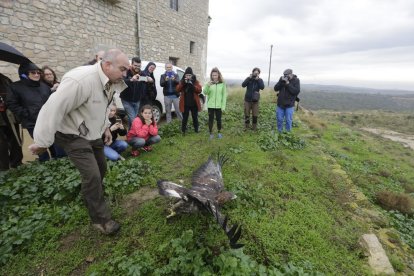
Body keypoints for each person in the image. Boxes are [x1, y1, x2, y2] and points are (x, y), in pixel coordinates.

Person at [29, 49, 130, 235]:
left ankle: (92, 196)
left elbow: (101, 108)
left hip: (93, 133)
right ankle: (102, 220)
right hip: (72, 134)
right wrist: (43, 142)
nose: (125, 74)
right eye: (123, 69)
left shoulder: (109, 82)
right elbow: (52, 109)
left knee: (101, 170)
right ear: (107, 65)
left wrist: (106, 127)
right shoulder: (80, 80)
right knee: (92, 175)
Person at [7, 62, 65, 162]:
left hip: (49, 121)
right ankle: (45, 168)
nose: (37, 74)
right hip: (33, 123)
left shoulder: (43, 86)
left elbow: (50, 101)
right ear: (24, 74)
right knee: (41, 149)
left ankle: (60, 166)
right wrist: (27, 114)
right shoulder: (15, 87)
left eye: (38, 72)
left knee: (58, 147)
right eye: (33, 72)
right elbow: (12, 104)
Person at [0, 73, 23, 171]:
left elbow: (13, 94)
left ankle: (16, 164)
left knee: (15, 139)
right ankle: (3, 168)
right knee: (1, 143)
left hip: (8, 115)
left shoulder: (5, 79)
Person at [120, 57, 145, 128]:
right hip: (126, 100)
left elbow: (145, 81)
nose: (137, 67)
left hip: (137, 100)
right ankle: (135, 134)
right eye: (135, 65)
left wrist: (149, 80)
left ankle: (130, 135)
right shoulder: (126, 71)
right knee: (133, 119)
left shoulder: (142, 73)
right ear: (132, 64)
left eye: (139, 66)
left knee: (132, 120)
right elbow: (121, 81)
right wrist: (131, 79)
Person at [176, 67, 202, 134]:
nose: (188, 77)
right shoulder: (182, 81)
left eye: (189, 75)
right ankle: (183, 131)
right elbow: (177, 89)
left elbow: (199, 90)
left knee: (195, 117)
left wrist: (192, 85)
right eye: (187, 75)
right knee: (185, 118)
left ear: (192, 75)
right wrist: (183, 83)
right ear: (185, 75)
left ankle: (196, 130)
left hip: (194, 104)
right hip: (185, 104)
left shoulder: (195, 81)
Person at [203, 67, 227, 139]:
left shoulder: (222, 84)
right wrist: (207, 85)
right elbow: (205, 92)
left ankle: (219, 132)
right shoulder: (209, 83)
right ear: (211, 76)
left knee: (219, 120)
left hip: (219, 106)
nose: (214, 77)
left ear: (218, 75)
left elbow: (224, 96)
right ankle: (211, 133)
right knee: (211, 120)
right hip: (211, 105)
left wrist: (223, 107)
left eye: (215, 75)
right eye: (213, 75)